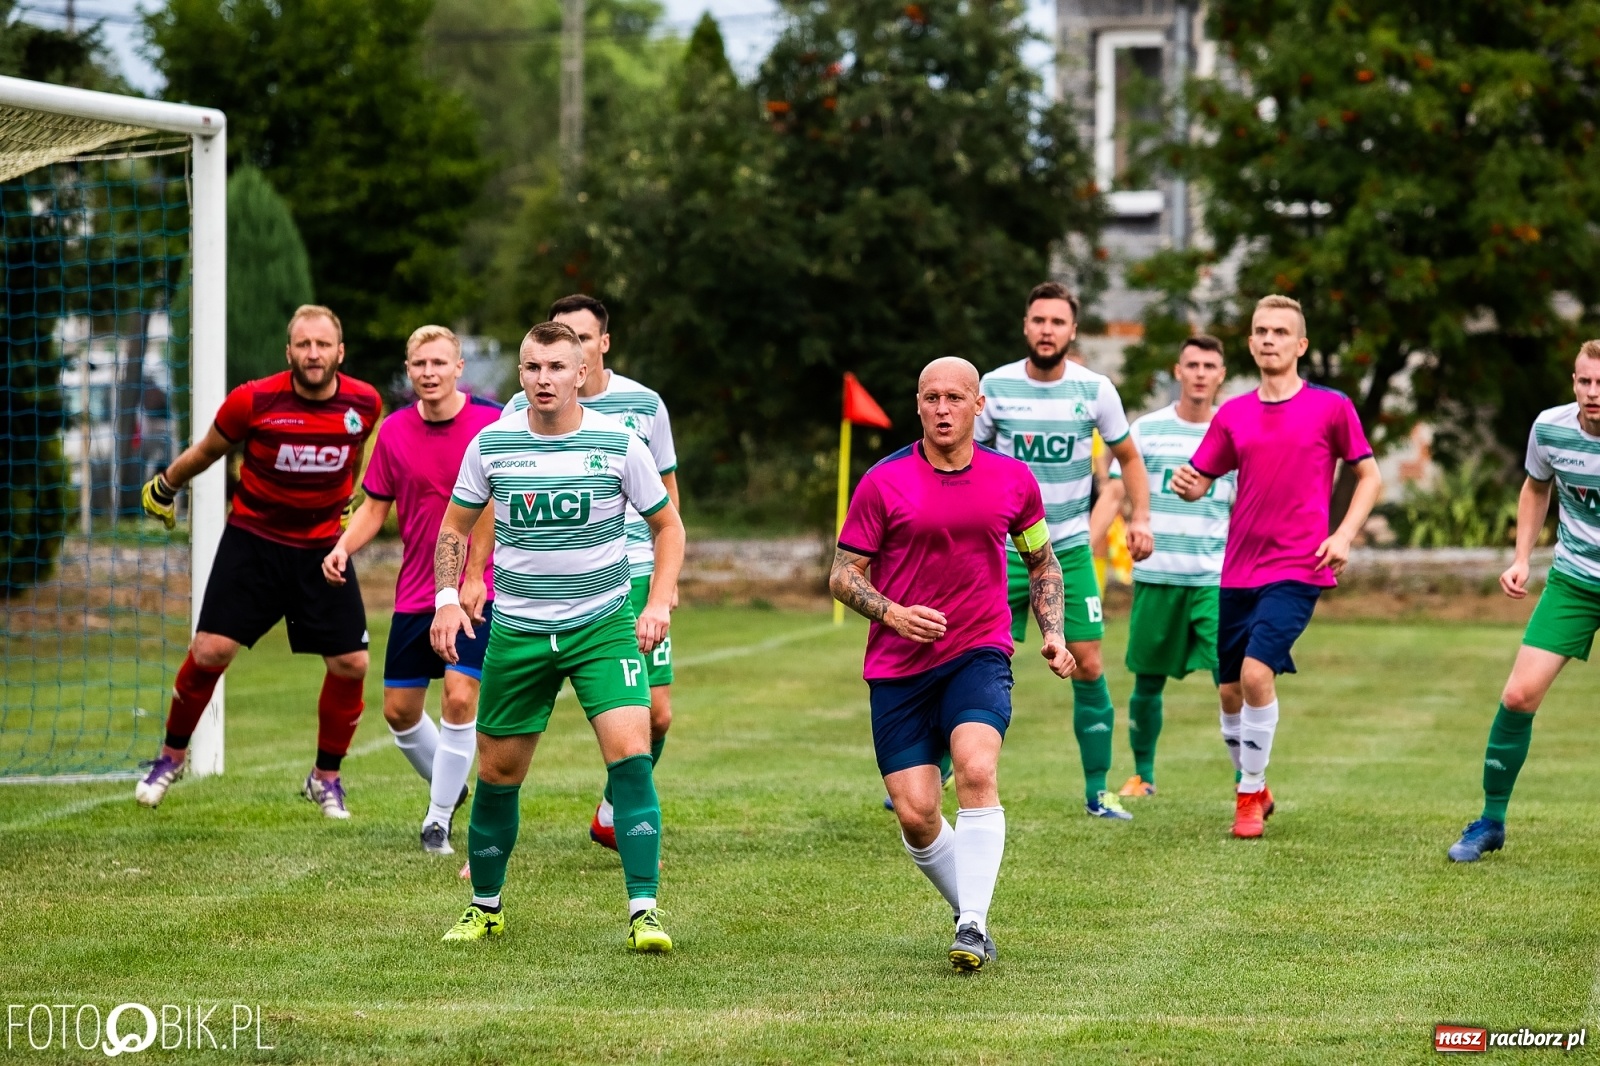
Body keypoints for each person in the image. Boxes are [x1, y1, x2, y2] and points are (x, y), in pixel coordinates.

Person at [433, 320, 686, 950]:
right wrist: (447, 598)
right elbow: (454, 528)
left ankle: (645, 912)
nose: (543, 379)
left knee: (631, 758)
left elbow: (668, 527)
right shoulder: (492, 444)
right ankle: (484, 905)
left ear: (581, 372)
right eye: (532, 368)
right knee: (498, 774)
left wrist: (657, 601)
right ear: (520, 375)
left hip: (602, 627)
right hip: (518, 631)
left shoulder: (618, 443)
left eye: (555, 367)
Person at [832, 356, 1076, 973]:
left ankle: (972, 924)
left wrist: (1053, 634)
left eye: (955, 398)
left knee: (975, 767)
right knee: (917, 814)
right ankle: (972, 914)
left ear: (978, 405)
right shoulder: (882, 481)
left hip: (978, 650)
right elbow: (842, 574)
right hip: (898, 665)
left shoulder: (1013, 480)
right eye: (931, 398)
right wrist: (893, 614)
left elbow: (1043, 563)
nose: (942, 409)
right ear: (918, 404)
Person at [136, 305, 381, 817]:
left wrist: (346, 507)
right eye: (303, 344)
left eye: (322, 344)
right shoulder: (253, 400)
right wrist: (167, 484)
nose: (312, 353)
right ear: (288, 352)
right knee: (210, 651)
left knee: (352, 662)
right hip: (254, 542)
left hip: (321, 549)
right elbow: (208, 450)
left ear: (340, 352)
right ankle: (170, 759)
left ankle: (325, 778)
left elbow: (356, 459)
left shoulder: (365, 402)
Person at [1172, 295, 1381, 838]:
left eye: (1280, 332)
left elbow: (1370, 476)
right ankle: (1258, 785)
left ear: (1301, 344)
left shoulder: (1331, 407)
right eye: (1261, 331)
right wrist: (1187, 484)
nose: (1269, 339)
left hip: (1298, 566)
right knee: (1228, 692)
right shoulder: (1233, 414)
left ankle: (1247, 795)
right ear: (1250, 343)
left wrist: (1344, 534)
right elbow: (1200, 480)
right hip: (1238, 570)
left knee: (1255, 674)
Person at [502, 295, 681, 851]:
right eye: (560, 337)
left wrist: (666, 586)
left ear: (601, 344)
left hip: (635, 567)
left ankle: (612, 810)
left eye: (581, 338)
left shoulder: (644, 405)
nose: (570, 348)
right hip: (549, 584)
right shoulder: (519, 408)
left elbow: (668, 500)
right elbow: (492, 494)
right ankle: (494, 840)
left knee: (657, 714)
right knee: (517, 724)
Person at [975, 282, 1154, 821]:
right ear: (1025, 326)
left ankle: (1098, 793)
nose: (1047, 330)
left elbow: (1129, 458)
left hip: (1067, 549)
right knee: (967, 657)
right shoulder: (994, 386)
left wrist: (1140, 518)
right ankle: (934, 772)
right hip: (1001, 547)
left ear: (1072, 331)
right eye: (1039, 320)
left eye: (1057, 322)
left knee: (1089, 661)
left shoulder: (1095, 390)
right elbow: (966, 459)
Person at [322, 325, 502, 853]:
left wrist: (476, 575)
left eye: (439, 362)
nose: (429, 372)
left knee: (459, 696)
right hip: (416, 592)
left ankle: (437, 820)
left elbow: (502, 501)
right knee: (399, 712)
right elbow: (375, 507)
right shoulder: (395, 431)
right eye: (420, 364)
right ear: (409, 370)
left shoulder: (492, 423)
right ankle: (453, 784)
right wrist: (343, 548)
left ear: (459, 368)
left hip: (476, 591)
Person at [1447, 343, 1600, 861]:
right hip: (1574, 581)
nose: (1593, 393)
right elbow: (1536, 488)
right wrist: (1520, 558)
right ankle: (1490, 821)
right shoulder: (1550, 428)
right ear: (1573, 382)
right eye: (1585, 382)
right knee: (1517, 696)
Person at [1097, 336, 1237, 797]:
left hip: (1215, 579)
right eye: (1192, 364)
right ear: (1178, 371)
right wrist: (1124, 526)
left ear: (1221, 375)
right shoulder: (1147, 430)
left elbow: (1248, 505)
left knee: (1232, 678)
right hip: (1157, 575)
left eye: (1209, 366)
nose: (1200, 373)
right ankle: (1144, 776)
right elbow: (1117, 490)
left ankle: (1248, 780)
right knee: (1147, 680)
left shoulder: (1235, 432)